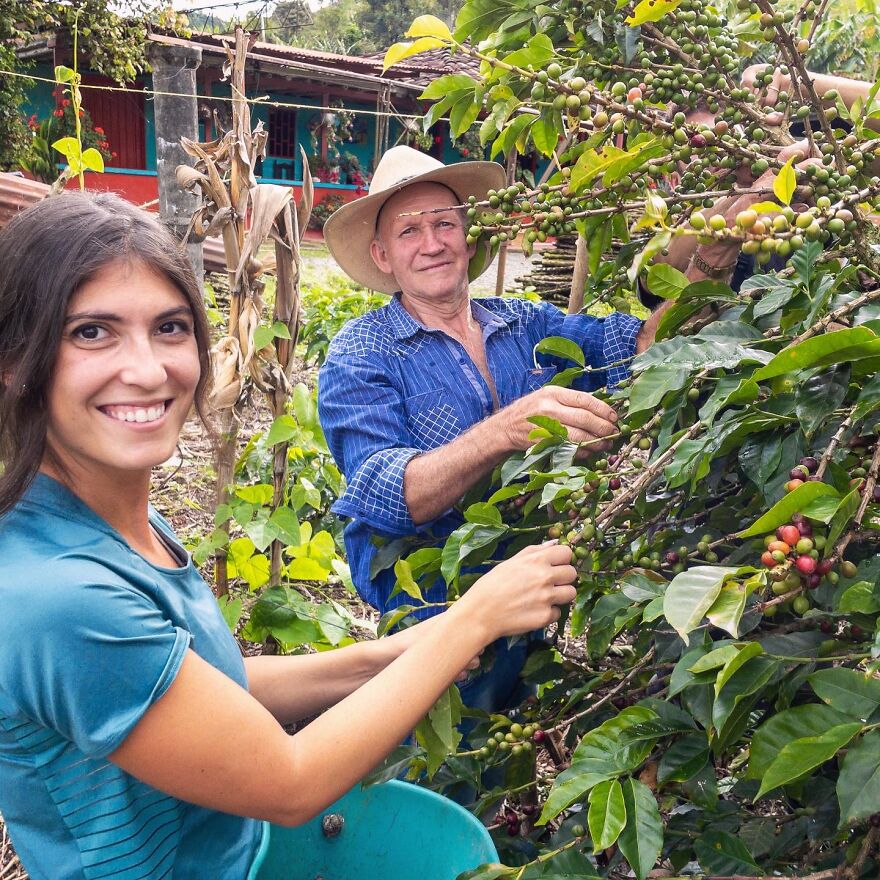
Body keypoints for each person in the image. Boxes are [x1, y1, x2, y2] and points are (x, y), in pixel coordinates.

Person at [0, 191, 578, 880]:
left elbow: (206, 686)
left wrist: (400, 650)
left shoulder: (112, 521)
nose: (149, 370)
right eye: (91, 332)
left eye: (171, 328)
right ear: (16, 360)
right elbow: (291, 781)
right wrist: (476, 618)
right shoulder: (60, 597)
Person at [319, 145, 673, 711]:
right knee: (447, 747)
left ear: (470, 237)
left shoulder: (525, 322)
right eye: (410, 231)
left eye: (444, 224)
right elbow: (387, 493)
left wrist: (710, 249)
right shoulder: (360, 354)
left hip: (536, 576)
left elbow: (637, 349)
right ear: (382, 256)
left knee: (518, 727)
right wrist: (504, 430)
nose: (432, 243)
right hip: (437, 605)